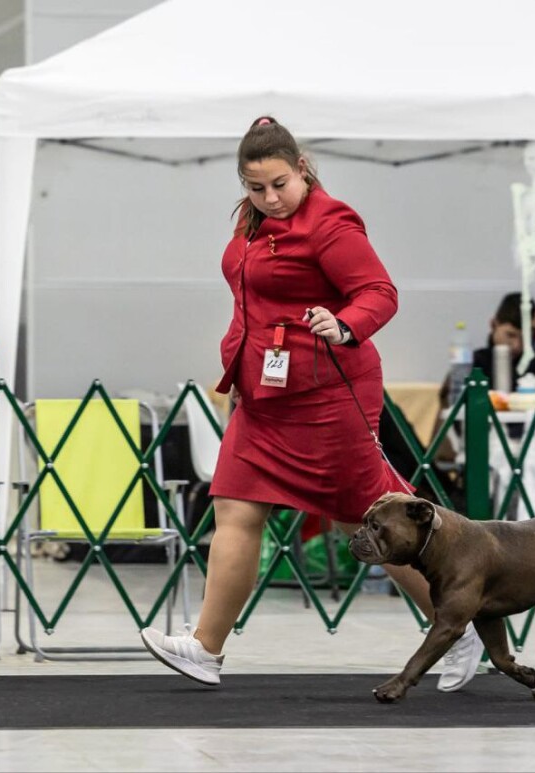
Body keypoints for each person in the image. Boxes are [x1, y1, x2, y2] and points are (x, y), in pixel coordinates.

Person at [139, 116, 484, 689]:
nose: (270, 197)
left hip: (328, 397)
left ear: (302, 169)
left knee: (375, 523)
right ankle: (204, 649)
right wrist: (243, 362)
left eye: (280, 184)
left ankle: (460, 628)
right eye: (256, 187)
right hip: (264, 397)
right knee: (234, 508)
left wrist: (345, 325)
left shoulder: (331, 223)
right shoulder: (250, 221)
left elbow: (379, 292)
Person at [440, 292, 535, 407]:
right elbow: (450, 404)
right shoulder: (476, 363)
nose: (516, 345)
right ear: (493, 325)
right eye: (510, 335)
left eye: (525, 338)